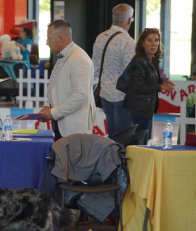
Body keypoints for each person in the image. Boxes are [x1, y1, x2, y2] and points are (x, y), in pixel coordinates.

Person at [39, 20, 97, 140]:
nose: (46, 42)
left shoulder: (79, 59)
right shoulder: (66, 55)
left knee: (71, 159)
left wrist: (54, 112)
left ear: (60, 38)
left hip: (74, 128)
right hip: (64, 125)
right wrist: (49, 106)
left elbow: (81, 95)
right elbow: (58, 87)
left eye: (49, 38)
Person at [123, 28, 175, 144]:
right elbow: (138, 86)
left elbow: (150, 80)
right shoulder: (138, 61)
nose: (153, 44)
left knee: (145, 142)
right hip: (138, 109)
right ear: (142, 43)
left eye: (156, 40)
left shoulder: (153, 60)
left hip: (147, 108)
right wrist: (162, 87)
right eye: (149, 40)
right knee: (140, 144)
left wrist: (162, 81)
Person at [92, 3, 135, 139]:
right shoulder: (128, 41)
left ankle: (112, 160)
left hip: (104, 94)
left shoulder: (100, 38)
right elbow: (131, 72)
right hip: (123, 97)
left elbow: (95, 68)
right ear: (129, 20)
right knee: (124, 138)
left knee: (112, 136)